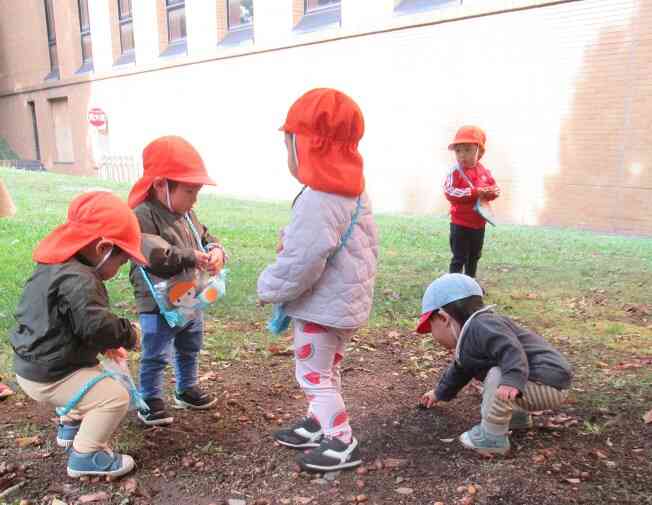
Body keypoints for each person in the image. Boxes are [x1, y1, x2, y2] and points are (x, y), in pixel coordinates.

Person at [257, 88, 379, 472]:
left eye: (289, 143)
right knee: (327, 368)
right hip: (342, 304)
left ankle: (340, 440)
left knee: (311, 374)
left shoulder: (320, 197)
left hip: (321, 308)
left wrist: (270, 286)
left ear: (307, 146)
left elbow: (303, 260)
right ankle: (318, 421)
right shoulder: (350, 190)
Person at [10, 191, 145, 478]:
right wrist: (128, 335)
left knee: (90, 371)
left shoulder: (55, 267)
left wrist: (102, 344)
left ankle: (71, 426)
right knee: (114, 397)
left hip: (34, 365)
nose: (119, 270)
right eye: (120, 262)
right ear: (103, 247)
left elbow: (70, 322)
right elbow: (96, 325)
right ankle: (87, 454)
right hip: (50, 374)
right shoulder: (81, 280)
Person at [128, 135, 226, 426]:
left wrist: (217, 251)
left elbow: (206, 238)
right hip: (157, 301)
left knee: (190, 343)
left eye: (197, 192)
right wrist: (190, 256)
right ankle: (150, 398)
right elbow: (156, 255)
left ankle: (186, 387)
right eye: (190, 191)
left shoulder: (186, 213)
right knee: (156, 350)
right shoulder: (142, 215)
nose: (194, 199)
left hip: (188, 295)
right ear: (161, 184)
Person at [416, 273, 572, 455]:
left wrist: (511, 380)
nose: (432, 335)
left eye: (431, 327)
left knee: (498, 376)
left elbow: (511, 349)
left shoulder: (482, 325)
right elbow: (460, 369)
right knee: (500, 374)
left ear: (444, 318)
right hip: (542, 381)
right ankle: (516, 417)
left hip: (546, 382)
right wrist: (439, 393)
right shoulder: (473, 331)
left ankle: (492, 437)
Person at [443, 126, 499, 279]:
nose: (462, 156)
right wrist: (474, 192)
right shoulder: (455, 172)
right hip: (460, 223)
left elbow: (493, 187)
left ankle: (470, 282)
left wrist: (492, 193)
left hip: (479, 223)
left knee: (474, 256)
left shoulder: (484, 172)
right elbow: (449, 191)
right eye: (458, 151)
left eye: (467, 150)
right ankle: (453, 283)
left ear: (479, 152)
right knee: (459, 257)